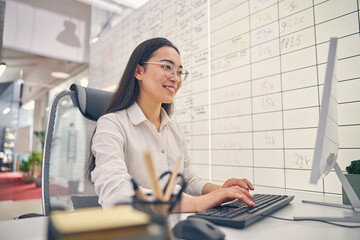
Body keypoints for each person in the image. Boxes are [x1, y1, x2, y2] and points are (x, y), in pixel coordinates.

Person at [89, 37, 255, 212]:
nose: (176, 78)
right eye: (167, 67)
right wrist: (199, 203)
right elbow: (116, 194)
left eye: (179, 72)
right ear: (139, 71)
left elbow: (188, 180)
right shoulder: (111, 125)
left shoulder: (174, 128)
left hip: (177, 222)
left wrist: (219, 190)